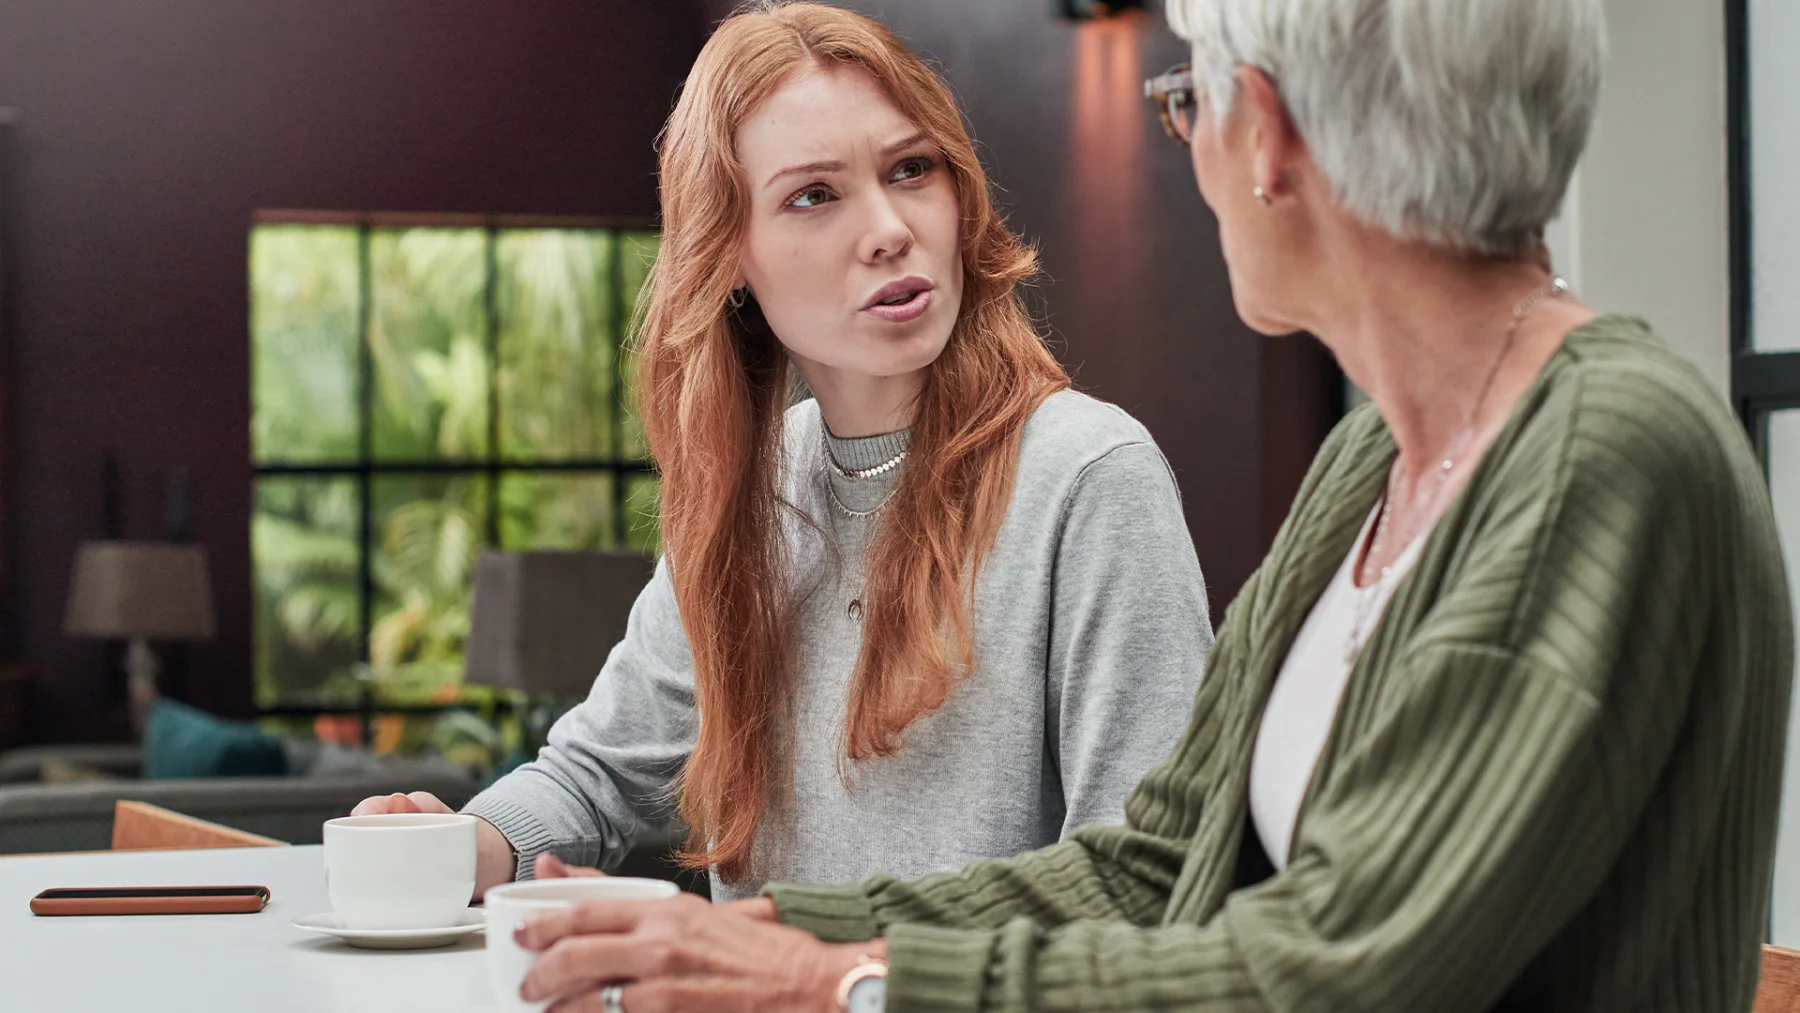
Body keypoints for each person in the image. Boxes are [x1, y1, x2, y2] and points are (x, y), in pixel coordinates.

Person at [505, 0, 1795, 1011]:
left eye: (1191, 106)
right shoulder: (1375, 467)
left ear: (1272, 138)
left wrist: (838, 983)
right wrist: (772, 936)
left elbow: (1346, 973)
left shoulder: (1605, 458)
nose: (1194, 150)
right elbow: (1162, 859)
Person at [352, 1, 1213, 905]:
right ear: (727, 253)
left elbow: (1146, 883)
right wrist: (457, 841)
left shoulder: (1088, 474)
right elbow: (597, 774)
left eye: (911, 169)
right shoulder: (759, 485)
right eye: (814, 194)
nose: (888, 228)